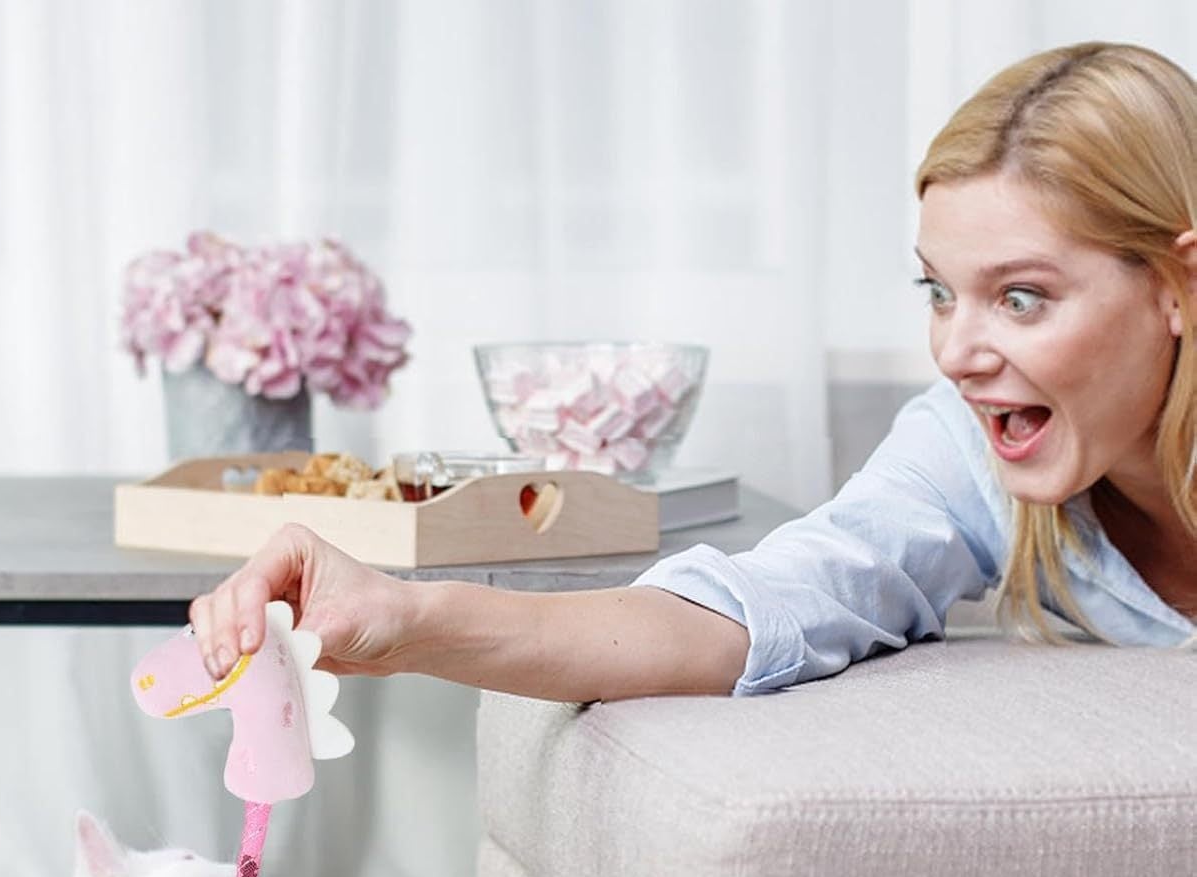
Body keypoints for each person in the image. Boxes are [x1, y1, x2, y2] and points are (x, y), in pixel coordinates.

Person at [190, 41, 1197, 703]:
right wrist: (408, 617)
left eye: (1022, 298)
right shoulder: (967, 447)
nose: (959, 352)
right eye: (938, 292)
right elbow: (749, 608)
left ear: (1176, 286)